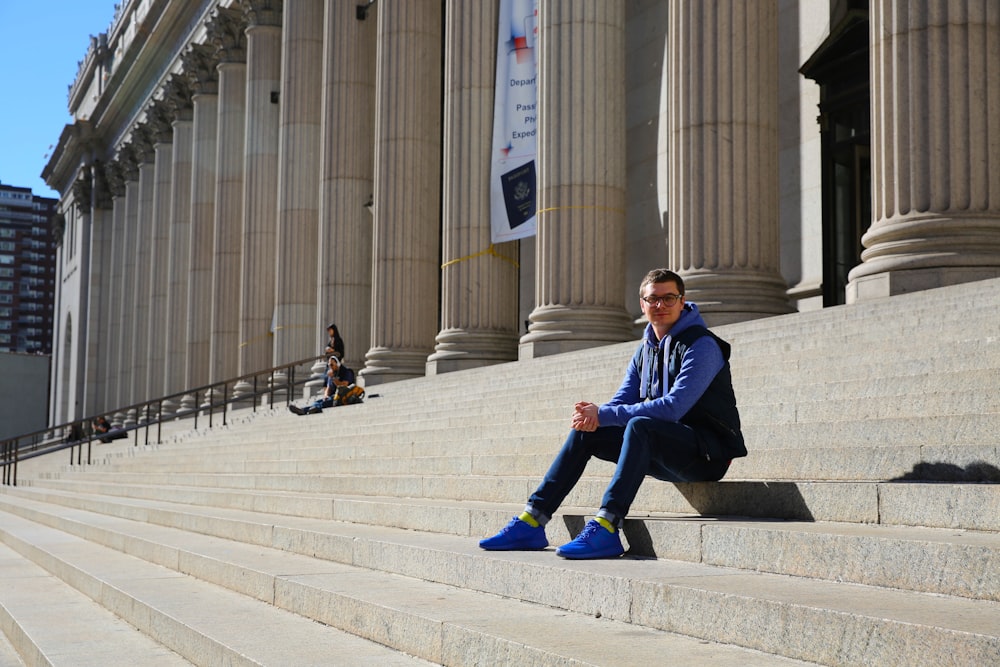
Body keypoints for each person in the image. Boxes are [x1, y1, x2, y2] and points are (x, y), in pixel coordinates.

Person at [479, 268, 746, 559]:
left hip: (706, 455)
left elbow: (673, 408)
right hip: (665, 449)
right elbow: (623, 399)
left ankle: (608, 524)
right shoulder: (645, 350)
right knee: (589, 431)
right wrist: (593, 416)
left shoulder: (702, 345)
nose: (660, 306)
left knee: (641, 425)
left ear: (683, 302)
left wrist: (604, 414)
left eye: (669, 298)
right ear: (642, 305)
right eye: (653, 299)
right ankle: (533, 520)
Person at [289, 356, 357, 415]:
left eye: (332, 365)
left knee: (327, 402)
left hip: (344, 396)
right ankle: (304, 410)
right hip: (334, 397)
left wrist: (333, 378)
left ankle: (308, 410)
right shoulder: (332, 374)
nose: (330, 367)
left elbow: (344, 385)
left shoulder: (347, 372)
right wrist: (326, 395)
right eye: (329, 365)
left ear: (338, 364)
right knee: (319, 401)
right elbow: (328, 387)